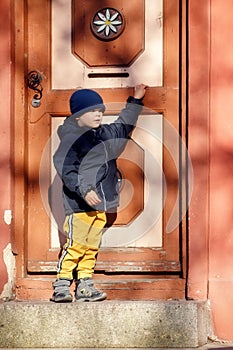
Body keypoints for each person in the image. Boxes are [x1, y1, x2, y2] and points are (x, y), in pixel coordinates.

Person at [51, 84, 147, 302]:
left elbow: (123, 126)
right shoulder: (70, 140)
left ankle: (85, 283)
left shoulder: (104, 135)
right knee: (75, 245)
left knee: (92, 246)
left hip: (100, 205)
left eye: (100, 111)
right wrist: (84, 190)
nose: (98, 115)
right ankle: (62, 283)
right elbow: (67, 168)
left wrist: (136, 101)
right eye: (91, 111)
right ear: (77, 116)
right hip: (79, 207)